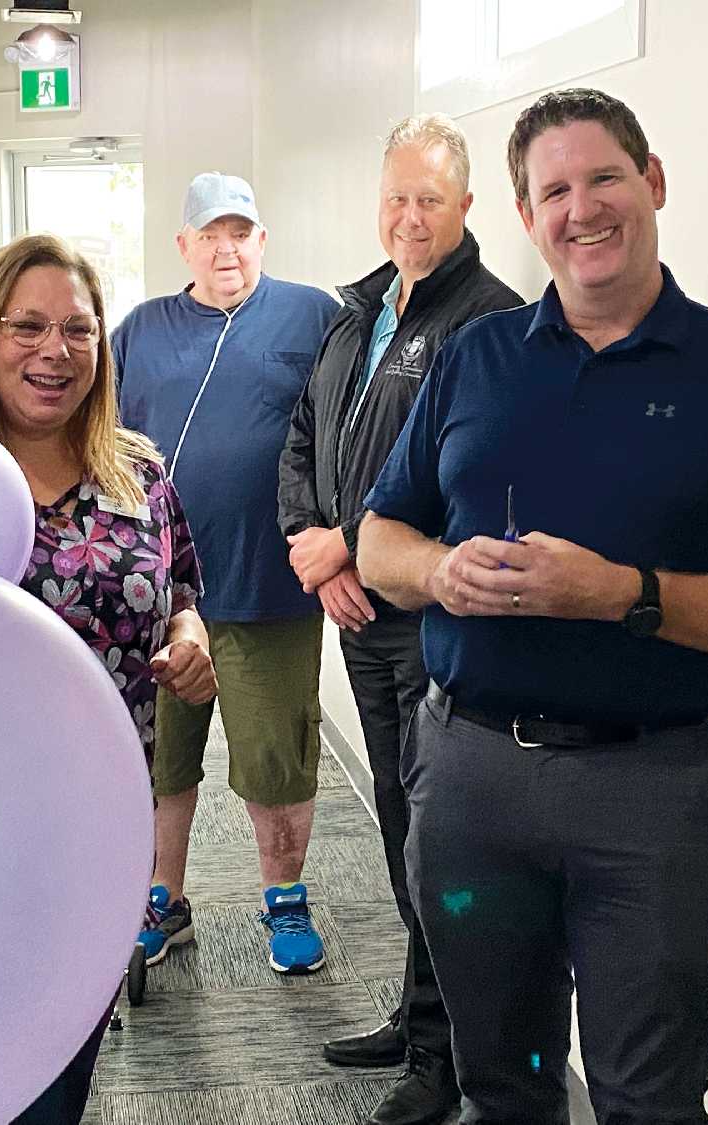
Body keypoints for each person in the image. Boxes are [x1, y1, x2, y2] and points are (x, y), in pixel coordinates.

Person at [358, 88, 708, 1125]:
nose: (584, 210)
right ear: (526, 218)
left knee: (649, 1097)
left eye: (604, 177)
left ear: (652, 182)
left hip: (649, 791)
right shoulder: (478, 359)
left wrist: (621, 595)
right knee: (505, 1089)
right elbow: (378, 538)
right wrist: (439, 574)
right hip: (471, 782)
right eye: (554, 191)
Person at [277, 114, 521, 1125]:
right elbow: (305, 432)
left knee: (441, 842)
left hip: (427, 621)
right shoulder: (359, 310)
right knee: (395, 825)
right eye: (395, 197)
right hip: (356, 615)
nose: (408, 216)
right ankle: (423, 1024)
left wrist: (350, 541)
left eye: (428, 198)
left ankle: (454, 1056)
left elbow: (462, 472)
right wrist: (310, 538)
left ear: (466, 206)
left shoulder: (489, 322)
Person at [0, 232, 217, 1124]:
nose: (54, 351)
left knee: (63, 1079)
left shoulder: (138, 471)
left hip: (102, 828)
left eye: (77, 329)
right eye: (26, 326)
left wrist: (189, 636)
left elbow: (181, 592)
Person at [114, 172, 340, 975]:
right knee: (158, 763)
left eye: (240, 232)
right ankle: (161, 901)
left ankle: (284, 900)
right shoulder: (141, 331)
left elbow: (346, 431)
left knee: (276, 762)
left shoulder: (313, 316)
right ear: (183, 246)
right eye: (209, 234)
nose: (225, 248)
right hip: (159, 595)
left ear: (262, 241)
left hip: (268, 589)